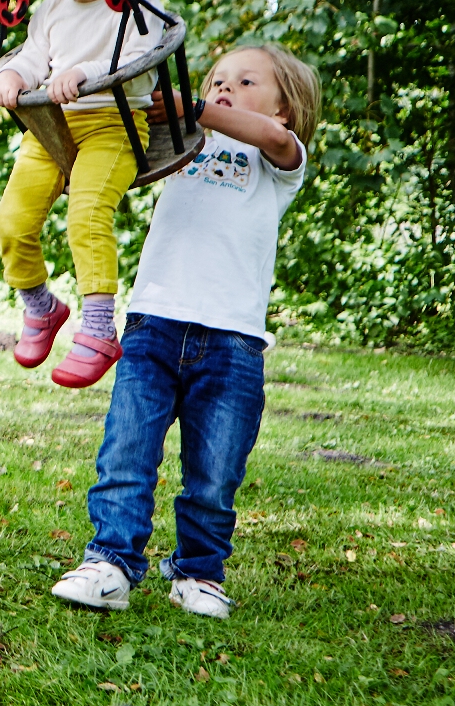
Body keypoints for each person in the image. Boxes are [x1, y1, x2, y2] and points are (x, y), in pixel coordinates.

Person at [48, 43, 321, 620]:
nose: (223, 88)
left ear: (284, 110)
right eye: (218, 80)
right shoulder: (184, 144)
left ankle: (199, 571)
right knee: (127, 451)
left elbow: (270, 141)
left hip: (232, 344)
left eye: (245, 83)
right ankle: (110, 562)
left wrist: (195, 107)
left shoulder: (278, 159)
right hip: (154, 324)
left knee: (215, 473)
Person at [0, 0, 171, 390]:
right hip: (51, 127)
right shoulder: (51, 9)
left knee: (87, 213)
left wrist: (88, 71)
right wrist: (15, 74)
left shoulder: (133, 2)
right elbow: (32, 56)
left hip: (113, 126)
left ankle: (97, 328)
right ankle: (40, 306)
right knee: (11, 221)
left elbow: (141, 56)